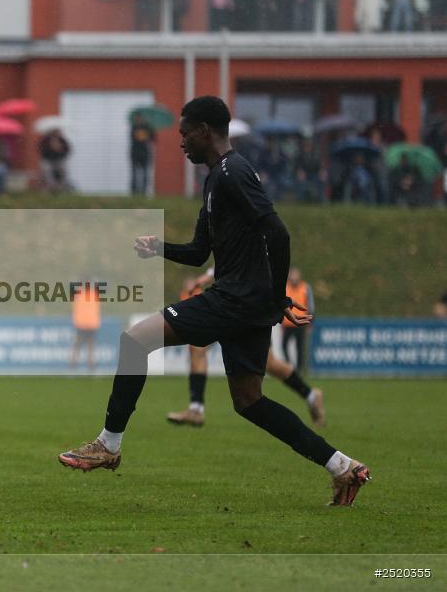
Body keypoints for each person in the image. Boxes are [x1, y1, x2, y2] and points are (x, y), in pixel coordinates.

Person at [59, 96, 369, 507]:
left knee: (136, 340)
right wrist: (159, 249)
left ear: (205, 131)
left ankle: (108, 445)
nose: (181, 143)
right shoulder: (216, 179)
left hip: (237, 299)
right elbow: (199, 252)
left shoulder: (232, 172)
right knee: (249, 402)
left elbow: (277, 232)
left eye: (185, 134)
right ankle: (343, 467)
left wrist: (274, 296)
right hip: (247, 302)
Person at [168, 273, 325, 427]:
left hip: (249, 309)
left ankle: (310, 395)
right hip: (224, 306)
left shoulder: (258, 257)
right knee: (197, 348)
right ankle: (196, 409)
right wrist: (210, 274)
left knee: (270, 364)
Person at [281, 267, 314, 372]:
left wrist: (310, 322)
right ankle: (289, 366)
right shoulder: (285, 287)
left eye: (296, 275)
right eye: (292, 275)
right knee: (284, 345)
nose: (294, 277)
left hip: (301, 323)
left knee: (300, 347)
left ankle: (299, 369)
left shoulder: (305, 287)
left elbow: (311, 305)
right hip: (287, 323)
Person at [70, 279, 101, 371]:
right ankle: (90, 364)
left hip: (82, 323)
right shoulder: (95, 294)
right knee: (90, 345)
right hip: (91, 323)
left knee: (78, 345)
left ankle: (73, 364)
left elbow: (71, 287)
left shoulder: (78, 294)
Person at [130, 114, 154, 197]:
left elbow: (153, 138)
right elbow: (135, 137)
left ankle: (144, 192)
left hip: (144, 153)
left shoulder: (148, 127)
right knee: (134, 174)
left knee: (145, 174)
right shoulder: (134, 127)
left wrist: (151, 129)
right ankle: (134, 192)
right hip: (135, 153)